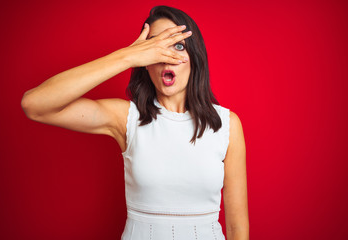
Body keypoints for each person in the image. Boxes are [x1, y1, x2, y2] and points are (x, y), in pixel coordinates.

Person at [21, 5, 249, 240]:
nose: (165, 57)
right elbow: (35, 104)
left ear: (194, 56)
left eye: (177, 45)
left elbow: (236, 229)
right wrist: (127, 56)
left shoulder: (227, 125)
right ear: (145, 61)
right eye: (154, 48)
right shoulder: (126, 118)